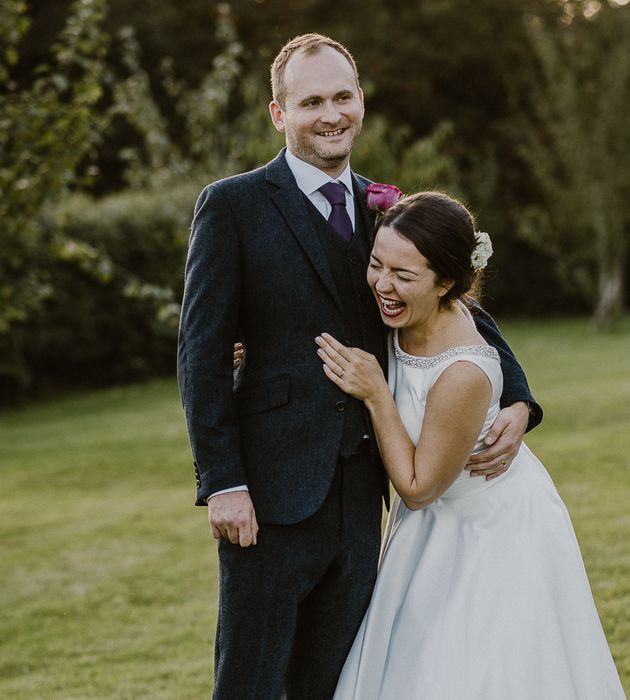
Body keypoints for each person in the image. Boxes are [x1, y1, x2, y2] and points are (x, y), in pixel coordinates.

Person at [177, 33, 541, 699]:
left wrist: (517, 398)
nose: (331, 113)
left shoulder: (388, 208)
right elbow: (200, 352)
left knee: (334, 684)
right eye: (311, 100)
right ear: (278, 113)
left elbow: (457, 305)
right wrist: (222, 479)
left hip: (364, 498)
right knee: (251, 683)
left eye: (342, 96)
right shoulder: (232, 205)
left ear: (361, 101)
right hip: (269, 495)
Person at [318, 192, 625, 699]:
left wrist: (377, 395)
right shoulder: (401, 309)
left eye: (404, 275)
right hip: (428, 529)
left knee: (480, 670)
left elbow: (417, 489)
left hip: (486, 529)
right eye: (376, 264)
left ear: (448, 284)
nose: (382, 285)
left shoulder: (462, 371)